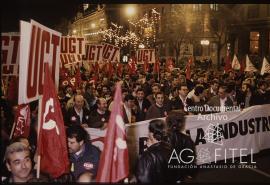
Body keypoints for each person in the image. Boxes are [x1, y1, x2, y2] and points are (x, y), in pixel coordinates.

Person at [135, 119, 178, 183]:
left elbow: (143, 180)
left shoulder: (147, 156)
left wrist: (149, 150)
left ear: (151, 134)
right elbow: (177, 175)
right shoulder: (172, 149)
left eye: (148, 131)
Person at [166, 110, 197, 181]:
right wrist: (190, 174)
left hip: (166, 175)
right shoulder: (186, 139)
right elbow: (190, 160)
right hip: (180, 175)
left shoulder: (161, 139)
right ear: (181, 123)